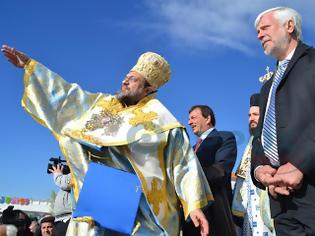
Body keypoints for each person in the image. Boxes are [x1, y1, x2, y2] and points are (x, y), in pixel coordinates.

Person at [1, 45, 213, 236]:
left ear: (148, 89)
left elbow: (183, 163)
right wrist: (30, 66)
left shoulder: (163, 122)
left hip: (142, 212)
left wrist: (193, 204)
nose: (124, 81)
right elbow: (66, 96)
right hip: (98, 203)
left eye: (133, 79)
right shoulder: (101, 106)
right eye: (126, 76)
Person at [251, 7, 315, 235]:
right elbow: (259, 137)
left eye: (265, 28)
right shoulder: (268, 86)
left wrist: (300, 163)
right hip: (280, 199)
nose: (259, 35)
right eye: (257, 31)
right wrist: (260, 170)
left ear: (289, 26)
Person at [184, 105, 236, 236]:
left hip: (215, 211)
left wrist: (188, 183)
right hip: (191, 214)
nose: (189, 122)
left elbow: (220, 170)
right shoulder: (189, 149)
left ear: (208, 119)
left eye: (193, 118)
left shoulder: (224, 137)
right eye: (189, 119)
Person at [232, 93, 275, 235]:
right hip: (250, 206)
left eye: (255, 114)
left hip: (268, 202)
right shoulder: (251, 142)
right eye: (249, 115)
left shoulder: (271, 136)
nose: (251, 118)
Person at [49, 165, 72, 235]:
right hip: (63, 219)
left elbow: (65, 183)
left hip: (68, 218)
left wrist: (58, 174)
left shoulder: (81, 170)